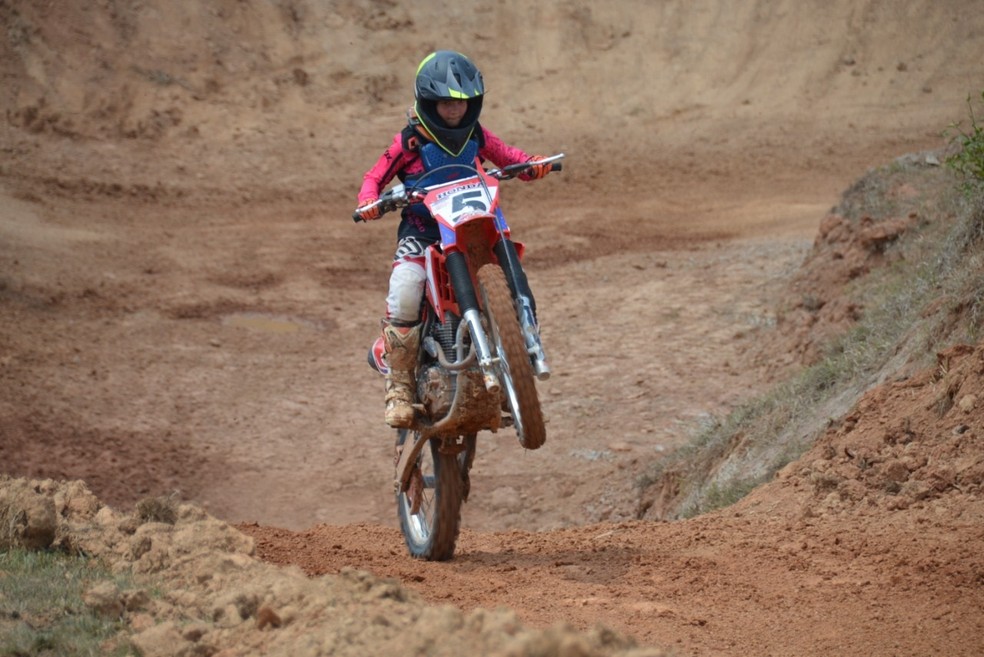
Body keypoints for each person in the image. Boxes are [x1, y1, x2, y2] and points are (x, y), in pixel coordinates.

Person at [355, 50, 552, 429]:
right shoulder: (409, 141)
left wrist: (532, 164)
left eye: (462, 103)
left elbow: (507, 155)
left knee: (509, 257)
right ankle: (399, 386)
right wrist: (370, 202)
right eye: (446, 103)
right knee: (406, 287)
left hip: (476, 220)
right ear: (429, 102)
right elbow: (374, 176)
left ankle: (520, 346)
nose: (454, 112)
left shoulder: (476, 134)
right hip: (424, 227)